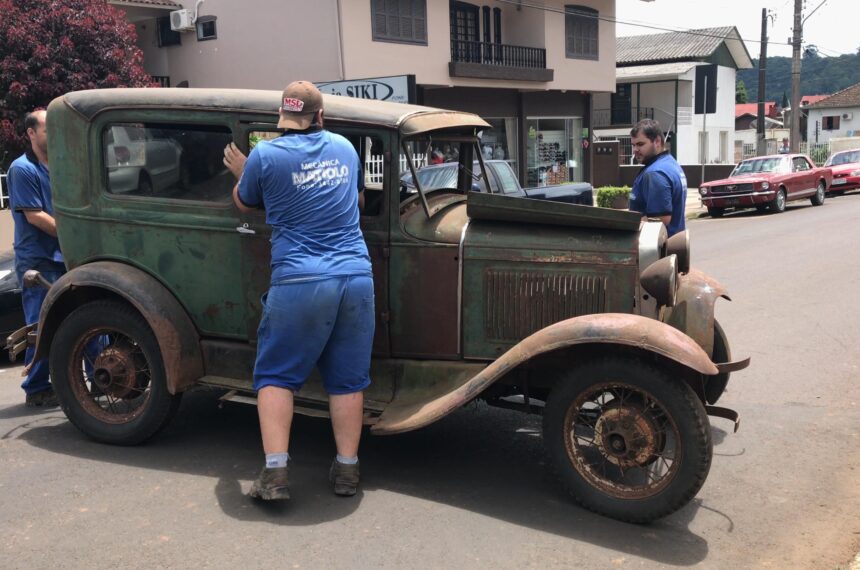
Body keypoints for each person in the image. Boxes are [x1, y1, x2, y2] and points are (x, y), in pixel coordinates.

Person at [223, 81, 374, 501]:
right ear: (320, 116)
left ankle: (275, 474)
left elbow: (245, 202)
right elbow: (358, 202)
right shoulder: (345, 148)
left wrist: (241, 172)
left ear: (282, 118)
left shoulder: (265, 156)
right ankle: (347, 470)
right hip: (355, 276)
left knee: (275, 376)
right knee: (347, 380)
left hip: (300, 279)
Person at [7, 109, 65, 407]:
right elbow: (34, 216)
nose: (52, 132)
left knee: (87, 318)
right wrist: (76, 235)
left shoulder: (60, 164)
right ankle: (37, 387)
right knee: (40, 327)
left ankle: (98, 376)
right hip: (38, 261)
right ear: (31, 133)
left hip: (64, 255)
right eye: (46, 128)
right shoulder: (22, 169)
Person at [628, 119, 687, 237]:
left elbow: (659, 221)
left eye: (640, 144)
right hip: (673, 246)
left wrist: (625, 223)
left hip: (656, 250)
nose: (635, 150)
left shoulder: (655, 173)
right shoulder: (671, 163)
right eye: (633, 145)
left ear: (657, 141)